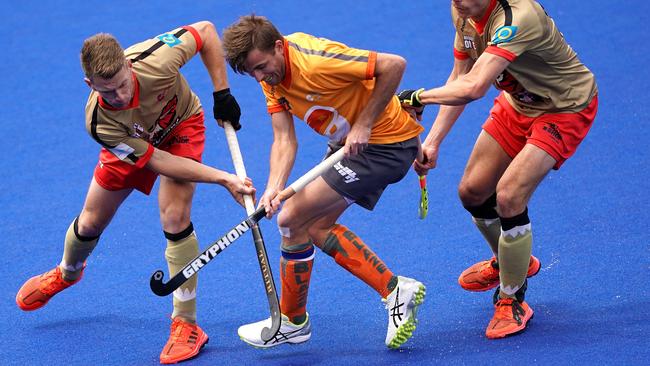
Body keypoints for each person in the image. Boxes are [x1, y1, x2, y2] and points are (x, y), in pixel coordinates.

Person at [15, 21, 255, 364]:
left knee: (175, 216)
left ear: (129, 66)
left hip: (180, 124)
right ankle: (67, 272)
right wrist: (222, 178)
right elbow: (156, 160)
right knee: (90, 222)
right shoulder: (100, 122)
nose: (120, 96)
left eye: (122, 85)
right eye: (107, 92)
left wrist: (222, 94)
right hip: (136, 142)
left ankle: (186, 325)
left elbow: (205, 31)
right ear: (90, 85)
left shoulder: (158, 59)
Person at [221, 15, 427, 349]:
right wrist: (274, 186)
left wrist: (365, 123)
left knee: (291, 219)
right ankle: (394, 290)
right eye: (252, 73)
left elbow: (393, 65)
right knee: (314, 226)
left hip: (383, 147)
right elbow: (284, 140)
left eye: (261, 67)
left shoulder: (316, 61)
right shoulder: (270, 76)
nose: (260, 77)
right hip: (348, 147)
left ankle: (291, 322)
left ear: (278, 46)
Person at [398, 0, 598, 338]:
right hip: (518, 103)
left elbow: (475, 87)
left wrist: (416, 97)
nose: (459, 1)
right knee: (472, 192)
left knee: (508, 197)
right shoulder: (463, 11)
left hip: (563, 108)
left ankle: (512, 298)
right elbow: (461, 75)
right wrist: (432, 141)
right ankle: (513, 262)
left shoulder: (519, 17)